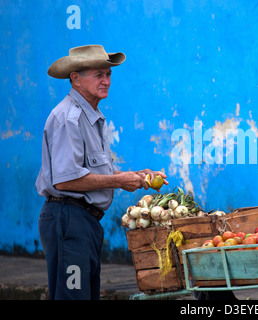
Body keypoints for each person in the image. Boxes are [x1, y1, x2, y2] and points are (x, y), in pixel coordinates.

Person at [35, 44, 168, 300]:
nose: (106, 81)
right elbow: (66, 181)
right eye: (98, 75)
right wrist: (118, 180)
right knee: (73, 296)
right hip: (68, 218)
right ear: (75, 78)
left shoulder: (92, 115)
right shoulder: (68, 118)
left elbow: (91, 170)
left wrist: (136, 177)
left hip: (84, 222)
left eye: (108, 75)